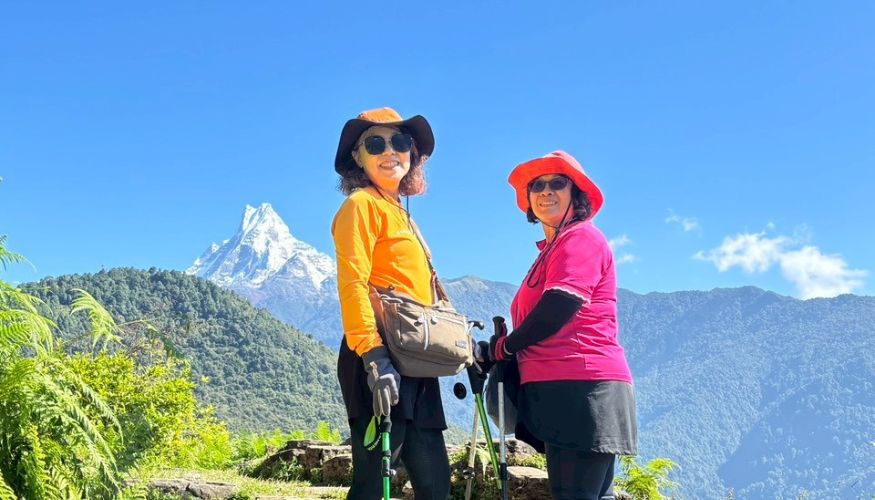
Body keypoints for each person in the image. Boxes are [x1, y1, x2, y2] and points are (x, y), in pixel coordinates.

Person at [489, 151, 637, 500]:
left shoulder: (581, 238)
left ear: (576, 194)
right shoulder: (551, 250)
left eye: (558, 183)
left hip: (581, 388)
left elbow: (559, 306)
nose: (546, 191)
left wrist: (505, 347)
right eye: (537, 186)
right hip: (568, 389)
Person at [331, 107, 450, 500]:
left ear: (412, 153)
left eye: (400, 142)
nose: (390, 151)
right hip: (378, 359)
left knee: (435, 484)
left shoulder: (402, 214)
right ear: (358, 158)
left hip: (415, 361)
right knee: (372, 483)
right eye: (375, 143)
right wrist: (374, 356)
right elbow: (353, 283)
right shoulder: (360, 206)